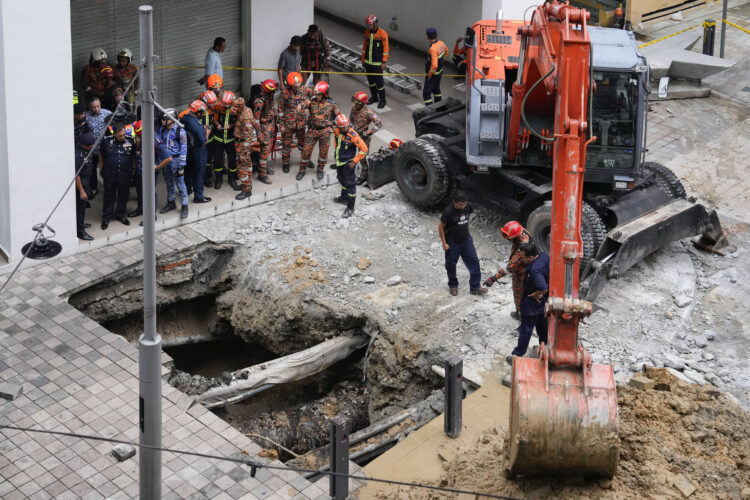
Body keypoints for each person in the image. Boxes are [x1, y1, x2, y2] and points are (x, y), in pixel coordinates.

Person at [438, 191, 488, 296]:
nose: (463, 206)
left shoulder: (467, 207)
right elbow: (440, 227)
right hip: (452, 243)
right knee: (451, 265)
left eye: (464, 204)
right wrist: (444, 243)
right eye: (460, 204)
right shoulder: (448, 212)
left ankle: (475, 287)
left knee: (474, 261)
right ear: (454, 202)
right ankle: (453, 285)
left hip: (466, 240)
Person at [508, 243, 550, 364]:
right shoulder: (543, 256)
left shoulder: (534, 269)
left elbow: (543, 287)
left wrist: (537, 294)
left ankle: (518, 354)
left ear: (531, 257)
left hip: (533, 302)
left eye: (523, 257)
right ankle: (545, 348)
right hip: (544, 302)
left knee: (526, 329)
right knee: (543, 326)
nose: (521, 259)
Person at [484, 221, 533, 319]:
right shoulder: (522, 231)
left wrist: (493, 278)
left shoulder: (521, 251)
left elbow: (510, 268)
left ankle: (521, 317)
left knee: (519, 293)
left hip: (521, 272)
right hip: (527, 267)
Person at [298, 81, 340, 181]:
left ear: (325, 94)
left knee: (323, 153)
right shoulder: (312, 101)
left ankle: (320, 169)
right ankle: (302, 170)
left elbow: (338, 117)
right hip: (312, 131)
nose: (316, 96)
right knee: (306, 151)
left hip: (324, 132)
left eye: (319, 94)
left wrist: (332, 128)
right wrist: (300, 106)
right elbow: (303, 104)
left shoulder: (331, 104)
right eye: (316, 94)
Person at [99, 123, 136, 229]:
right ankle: (106, 217)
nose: (123, 137)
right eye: (120, 135)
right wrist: (101, 168)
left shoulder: (130, 140)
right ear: (114, 134)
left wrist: (133, 169)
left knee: (123, 196)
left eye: (123, 134)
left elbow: (133, 155)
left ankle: (120, 215)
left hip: (125, 174)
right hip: (110, 174)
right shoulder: (106, 141)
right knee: (109, 196)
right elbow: (101, 154)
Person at [332, 114, 368, 218]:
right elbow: (336, 141)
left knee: (350, 184)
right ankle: (343, 198)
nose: (344, 128)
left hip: (348, 163)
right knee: (341, 179)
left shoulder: (353, 135)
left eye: (346, 126)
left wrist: (355, 161)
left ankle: (350, 207)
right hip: (339, 161)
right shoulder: (337, 130)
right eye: (342, 127)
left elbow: (364, 150)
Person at [158, 109, 189, 219]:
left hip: (176, 161)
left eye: (164, 119)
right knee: (169, 183)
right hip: (166, 160)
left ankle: (184, 205)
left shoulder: (180, 130)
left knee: (180, 184)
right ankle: (171, 202)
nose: (162, 121)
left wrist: (182, 164)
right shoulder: (162, 129)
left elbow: (184, 148)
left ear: (170, 120)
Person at [278, 72, 312, 174]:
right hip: (288, 124)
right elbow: (280, 110)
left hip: (301, 123)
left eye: (299, 85)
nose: (297, 87)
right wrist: (281, 125)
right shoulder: (284, 93)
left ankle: (306, 161)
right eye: (295, 85)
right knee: (286, 145)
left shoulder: (305, 90)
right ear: (290, 84)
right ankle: (286, 163)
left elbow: (314, 98)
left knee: (303, 144)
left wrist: (306, 105)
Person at [349, 91, 382, 185]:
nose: (355, 104)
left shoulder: (369, 112)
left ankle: (363, 176)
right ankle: (350, 170)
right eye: (354, 102)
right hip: (354, 136)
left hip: (364, 138)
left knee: (363, 158)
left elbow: (379, 124)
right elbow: (351, 120)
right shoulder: (354, 109)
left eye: (357, 103)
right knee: (350, 153)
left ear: (362, 103)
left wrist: (367, 133)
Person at [182, 100, 212, 203]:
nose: (202, 114)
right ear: (197, 112)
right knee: (199, 173)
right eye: (201, 112)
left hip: (189, 149)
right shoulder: (196, 125)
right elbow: (204, 141)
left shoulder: (185, 118)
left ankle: (187, 189)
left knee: (188, 171)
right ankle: (198, 196)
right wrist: (207, 132)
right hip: (199, 151)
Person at [212, 91, 240, 190]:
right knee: (217, 160)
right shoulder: (218, 106)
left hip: (230, 138)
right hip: (218, 138)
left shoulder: (237, 108)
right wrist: (218, 125)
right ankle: (218, 179)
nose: (225, 107)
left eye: (227, 106)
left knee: (232, 160)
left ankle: (231, 179)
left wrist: (231, 125)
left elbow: (239, 121)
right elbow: (215, 118)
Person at [252, 79, 278, 184]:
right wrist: (259, 133)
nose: (273, 93)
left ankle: (263, 168)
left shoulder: (269, 94)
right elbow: (255, 119)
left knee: (268, 149)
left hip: (271, 125)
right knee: (264, 151)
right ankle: (262, 175)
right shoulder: (259, 101)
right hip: (264, 128)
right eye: (271, 92)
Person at [362, 15, 389, 108]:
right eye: (367, 25)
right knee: (371, 82)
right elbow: (364, 47)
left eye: (370, 25)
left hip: (377, 64)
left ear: (375, 23)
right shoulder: (367, 33)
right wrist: (363, 60)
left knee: (379, 84)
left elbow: (386, 49)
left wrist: (384, 62)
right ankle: (374, 97)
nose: (368, 27)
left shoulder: (382, 34)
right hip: (368, 63)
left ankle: (383, 100)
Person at [231, 97, 254, 200]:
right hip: (241, 143)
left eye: (235, 107)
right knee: (248, 165)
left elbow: (248, 136)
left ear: (241, 107)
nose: (233, 109)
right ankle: (248, 185)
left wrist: (243, 153)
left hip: (243, 145)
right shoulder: (246, 109)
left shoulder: (246, 117)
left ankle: (246, 191)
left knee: (241, 167)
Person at [75, 133, 97, 240]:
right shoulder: (78, 156)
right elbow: (76, 175)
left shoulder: (86, 150)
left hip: (86, 182)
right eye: (90, 145)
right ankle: (80, 232)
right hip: (81, 185)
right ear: (84, 146)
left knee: (82, 208)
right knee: (80, 209)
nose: (93, 146)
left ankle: (80, 223)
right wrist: (82, 191)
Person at [423, 28, 448, 105]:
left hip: (433, 74)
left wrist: (429, 75)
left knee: (426, 94)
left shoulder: (433, 49)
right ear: (436, 35)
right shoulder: (441, 43)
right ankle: (439, 107)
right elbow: (446, 51)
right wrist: (442, 61)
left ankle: (430, 111)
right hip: (440, 72)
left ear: (427, 36)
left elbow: (434, 65)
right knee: (436, 90)